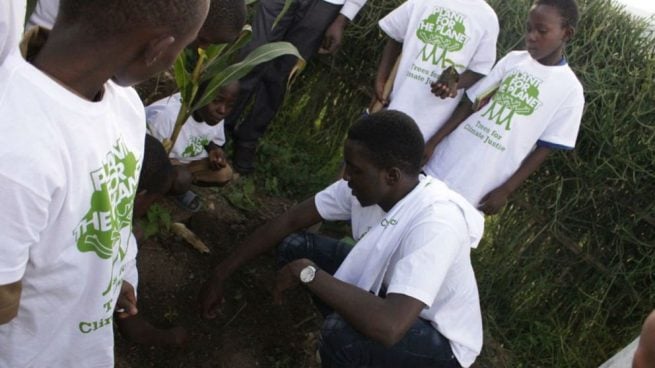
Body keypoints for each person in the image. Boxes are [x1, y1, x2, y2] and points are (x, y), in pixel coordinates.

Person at [0, 0, 209, 366]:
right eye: (182, 49)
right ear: (157, 48)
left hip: (81, 345)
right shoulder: (15, 148)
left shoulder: (124, 105)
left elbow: (111, 208)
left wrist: (111, 277)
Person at [200, 110, 486, 367]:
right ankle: (337, 349)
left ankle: (345, 349)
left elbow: (389, 327)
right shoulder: (361, 189)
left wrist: (307, 273)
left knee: (342, 334)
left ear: (391, 176)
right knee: (295, 246)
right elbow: (289, 221)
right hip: (386, 297)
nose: (346, 176)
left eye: (356, 169)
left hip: (438, 342)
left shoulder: (437, 222)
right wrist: (220, 273)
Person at [424, 0, 584, 215]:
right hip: (445, 159)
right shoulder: (513, 61)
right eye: (528, 28)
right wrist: (433, 143)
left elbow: (545, 148)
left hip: (480, 184)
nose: (531, 36)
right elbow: (471, 105)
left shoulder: (570, 91)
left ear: (567, 34)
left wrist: (507, 190)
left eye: (542, 30)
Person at [224, 0, 368, 174]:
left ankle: (248, 137)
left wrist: (342, 19)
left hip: (325, 5)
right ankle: (220, 125)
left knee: (284, 72)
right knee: (252, 54)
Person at [374, 0, 499, 143]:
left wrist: (454, 84)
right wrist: (381, 77)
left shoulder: (487, 17)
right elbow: (395, 35)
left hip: (430, 122)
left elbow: (479, 69)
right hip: (395, 102)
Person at [147, 81, 240, 211]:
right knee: (181, 178)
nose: (222, 110)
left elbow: (209, 136)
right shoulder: (166, 116)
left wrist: (213, 149)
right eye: (217, 101)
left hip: (183, 163)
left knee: (224, 174)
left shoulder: (214, 113)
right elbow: (145, 151)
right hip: (154, 162)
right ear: (198, 95)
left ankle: (173, 188)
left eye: (230, 105)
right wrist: (167, 165)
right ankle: (149, 196)